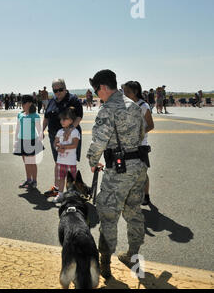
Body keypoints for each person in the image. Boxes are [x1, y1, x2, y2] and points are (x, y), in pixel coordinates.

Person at [87, 69, 148, 280]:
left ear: (103, 87)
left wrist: (93, 162)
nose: (97, 96)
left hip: (119, 171)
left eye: (96, 91)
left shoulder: (107, 109)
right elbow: (142, 133)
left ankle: (104, 263)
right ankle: (133, 253)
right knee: (134, 212)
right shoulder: (134, 105)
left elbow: (98, 142)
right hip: (139, 167)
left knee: (108, 215)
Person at [42, 79, 83, 198]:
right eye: (55, 90)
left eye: (60, 89)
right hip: (55, 136)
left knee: (69, 163)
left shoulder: (73, 99)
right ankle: (58, 190)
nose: (58, 92)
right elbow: (46, 117)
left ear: (65, 88)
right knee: (59, 162)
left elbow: (79, 116)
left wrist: (70, 129)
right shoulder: (51, 101)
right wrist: (41, 130)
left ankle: (71, 191)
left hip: (70, 136)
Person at [124, 81, 154, 206]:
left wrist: (138, 134)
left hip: (140, 145)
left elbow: (151, 125)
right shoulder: (126, 105)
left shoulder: (143, 106)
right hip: (127, 145)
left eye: (127, 91)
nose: (124, 94)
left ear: (135, 92)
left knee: (142, 172)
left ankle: (146, 195)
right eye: (123, 91)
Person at [14, 95, 43, 189]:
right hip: (22, 141)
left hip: (31, 141)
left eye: (24, 103)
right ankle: (28, 180)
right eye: (22, 103)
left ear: (30, 103)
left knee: (31, 162)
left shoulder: (35, 115)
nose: (22, 105)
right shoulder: (20, 115)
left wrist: (39, 141)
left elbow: (40, 130)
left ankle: (34, 181)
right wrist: (16, 140)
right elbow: (17, 128)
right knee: (26, 162)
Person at [52, 107, 80, 203]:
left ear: (71, 120)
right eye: (61, 119)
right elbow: (55, 143)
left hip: (71, 162)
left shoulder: (75, 132)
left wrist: (63, 147)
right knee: (60, 179)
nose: (62, 121)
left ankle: (71, 196)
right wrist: (57, 148)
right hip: (60, 161)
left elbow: (75, 145)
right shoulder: (59, 132)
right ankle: (60, 194)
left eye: (65, 119)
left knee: (71, 180)